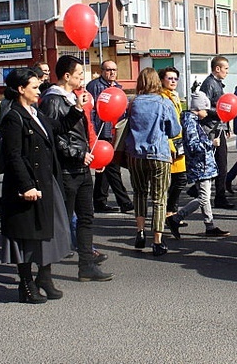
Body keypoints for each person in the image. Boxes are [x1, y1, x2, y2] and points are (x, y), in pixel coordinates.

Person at [0, 68, 85, 303]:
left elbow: (56, 128)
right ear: (20, 89)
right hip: (26, 188)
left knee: (50, 232)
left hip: (46, 182)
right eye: (35, 87)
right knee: (26, 236)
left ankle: (44, 277)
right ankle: (26, 285)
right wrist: (26, 186)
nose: (39, 91)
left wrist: (78, 108)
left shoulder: (34, 112)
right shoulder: (13, 117)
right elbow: (14, 156)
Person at [40, 55, 113, 282]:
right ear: (67, 76)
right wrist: (78, 154)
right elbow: (53, 136)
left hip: (82, 168)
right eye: (79, 74)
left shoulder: (74, 98)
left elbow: (83, 129)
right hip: (67, 170)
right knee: (61, 221)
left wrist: (91, 154)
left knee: (86, 217)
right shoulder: (53, 100)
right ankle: (45, 272)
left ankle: (86, 266)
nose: (83, 78)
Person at [126, 68, 181, 256]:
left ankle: (140, 232)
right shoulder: (164, 102)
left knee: (140, 193)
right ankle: (157, 240)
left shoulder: (132, 103)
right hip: (158, 153)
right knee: (159, 198)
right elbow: (174, 130)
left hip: (135, 154)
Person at [164, 91, 230, 239]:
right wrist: (210, 143)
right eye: (205, 109)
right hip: (200, 164)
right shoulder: (191, 122)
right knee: (203, 197)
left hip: (202, 164)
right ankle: (176, 218)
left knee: (204, 196)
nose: (206, 113)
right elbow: (193, 145)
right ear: (198, 108)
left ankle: (209, 225)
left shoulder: (192, 120)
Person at [86, 60, 134, 214]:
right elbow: (91, 112)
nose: (112, 73)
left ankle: (99, 201)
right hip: (101, 132)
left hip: (116, 132)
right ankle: (124, 201)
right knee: (112, 167)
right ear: (102, 71)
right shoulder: (95, 86)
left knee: (104, 168)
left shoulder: (118, 87)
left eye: (114, 69)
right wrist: (92, 133)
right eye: (108, 70)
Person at [200, 56, 234, 209]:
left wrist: (226, 126)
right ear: (217, 68)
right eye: (225, 68)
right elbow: (204, 107)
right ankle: (219, 196)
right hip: (211, 129)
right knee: (218, 163)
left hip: (219, 127)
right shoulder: (209, 84)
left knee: (220, 163)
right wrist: (220, 113)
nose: (227, 71)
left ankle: (218, 194)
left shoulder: (217, 83)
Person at [159, 67, 188, 218]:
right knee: (177, 180)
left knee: (180, 179)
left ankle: (172, 212)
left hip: (179, 141)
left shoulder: (174, 96)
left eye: (175, 78)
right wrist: (169, 145)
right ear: (162, 80)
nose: (173, 81)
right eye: (169, 78)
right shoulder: (162, 97)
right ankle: (169, 212)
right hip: (171, 143)